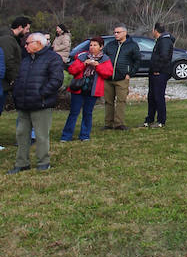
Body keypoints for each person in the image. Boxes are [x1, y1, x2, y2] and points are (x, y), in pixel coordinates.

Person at [8, 32, 65, 173]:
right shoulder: (26, 59)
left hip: (41, 104)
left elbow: (56, 80)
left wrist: (41, 94)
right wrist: (16, 93)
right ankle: (22, 163)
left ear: (38, 44)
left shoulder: (53, 58)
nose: (25, 46)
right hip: (23, 103)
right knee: (21, 134)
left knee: (41, 135)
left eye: (28, 43)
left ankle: (43, 162)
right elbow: (19, 78)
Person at [61, 37, 113, 142]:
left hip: (92, 90)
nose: (92, 47)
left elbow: (108, 73)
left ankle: (84, 135)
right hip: (78, 89)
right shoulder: (82, 56)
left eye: (95, 45)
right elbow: (72, 69)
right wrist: (84, 64)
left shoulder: (105, 59)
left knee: (88, 113)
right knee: (74, 112)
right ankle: (66, 136)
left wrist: (97, 66)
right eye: (91, 45)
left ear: (101, 47)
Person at [105, 24, 141, 130]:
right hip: (108, 78)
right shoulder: (110, 45)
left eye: (118, 32)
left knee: (121, 101)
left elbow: (137, 60)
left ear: (125, 33)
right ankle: (108, 123)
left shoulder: (132, 45)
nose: (116, 34)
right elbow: (103, 57)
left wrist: (130, 73)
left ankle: (119, 123)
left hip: (122, 78)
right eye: (115, 32)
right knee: (108, 101)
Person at [144, 22, 174, 128]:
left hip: (160, 73)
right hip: (154, 72)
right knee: (151, 96)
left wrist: (157, 69)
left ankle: (161, 120)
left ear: (155, 30)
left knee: (158, 96)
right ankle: (150, 118)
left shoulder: (165, 41)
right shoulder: (160, 41)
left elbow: (164, 57)